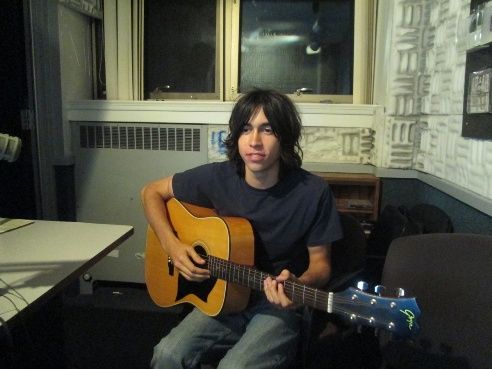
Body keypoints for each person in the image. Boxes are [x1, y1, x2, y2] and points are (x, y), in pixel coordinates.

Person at [141, 88, 343, 369]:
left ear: (284, 136)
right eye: (246, 129)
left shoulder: (313, 192)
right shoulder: (217, 177)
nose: (255, 141)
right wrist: (172, 245)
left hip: (278, 307)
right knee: (167, 355)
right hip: (226, 296)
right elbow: (151, 192)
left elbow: (321, 266)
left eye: (268, 129)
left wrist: (301, 285)